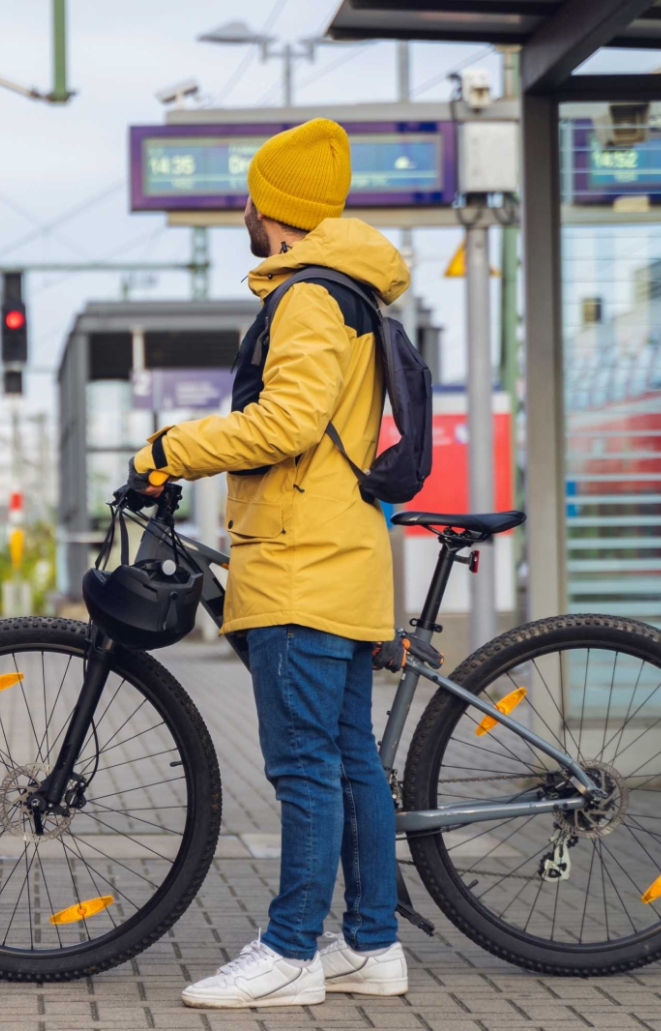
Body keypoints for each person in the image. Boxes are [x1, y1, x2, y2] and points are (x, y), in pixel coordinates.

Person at [127, 118, 410, 1008]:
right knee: (347, 757)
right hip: (339, 551)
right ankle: (371, 944)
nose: (242, 212)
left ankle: (290, 950)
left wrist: (170, 447)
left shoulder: (305, 298)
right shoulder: (351, 293)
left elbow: (285, 423)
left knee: (303, 766)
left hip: (300, 560)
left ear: (270, 210)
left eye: (249, 199)